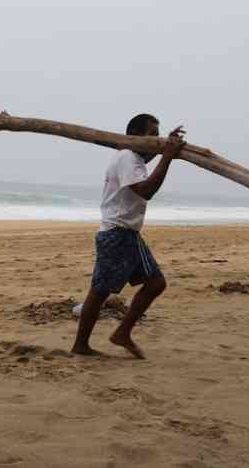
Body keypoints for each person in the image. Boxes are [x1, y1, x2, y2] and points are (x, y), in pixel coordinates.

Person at [71, 114, 185, 359]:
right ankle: (81, 345)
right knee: (100, 291)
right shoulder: (126, 157)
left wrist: (167, 149)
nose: (156, 138)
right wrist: (167, 156)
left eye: (158, 135)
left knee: (155, 283)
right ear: (135, 135)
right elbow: (146, 190)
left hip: (127, 234)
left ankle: (122, 333)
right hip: (117, 234)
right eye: (151, 134)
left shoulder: (133, 158)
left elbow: (142, 165)